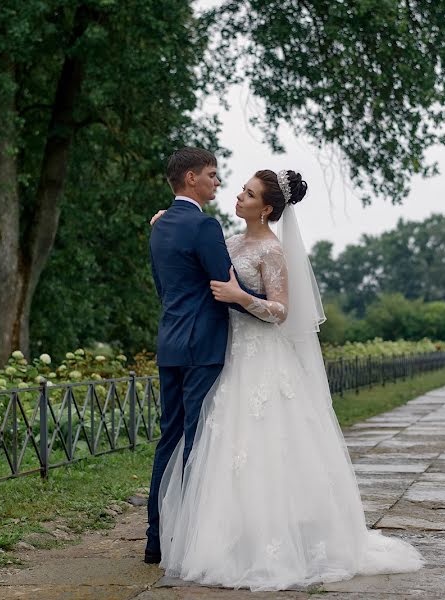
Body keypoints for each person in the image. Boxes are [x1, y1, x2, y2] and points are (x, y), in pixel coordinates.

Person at [151, 168, 423, 591]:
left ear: (268, 208)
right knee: (223, 446)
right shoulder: (228, 241)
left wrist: (243, 297)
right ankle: (229, 535)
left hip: (262, 357)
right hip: (229, 354)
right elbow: (195, 262)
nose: (238, 197)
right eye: (240, 189)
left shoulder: (272, 251)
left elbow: (282, 311)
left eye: (249, 193)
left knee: (266, 446)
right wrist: (162, 223)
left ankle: (278, 541)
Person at [145, 147, 267, 565]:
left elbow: (165, 290)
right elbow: (224, 288)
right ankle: (192, 539)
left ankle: (155, 538)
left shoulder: (159, 225)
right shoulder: (203, 226)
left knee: (170, 439)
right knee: (198, 441)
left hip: (171, 344)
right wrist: (268, 308)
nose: (218, 182)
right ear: (191, 178)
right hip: (203, 347)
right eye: (212, 175)